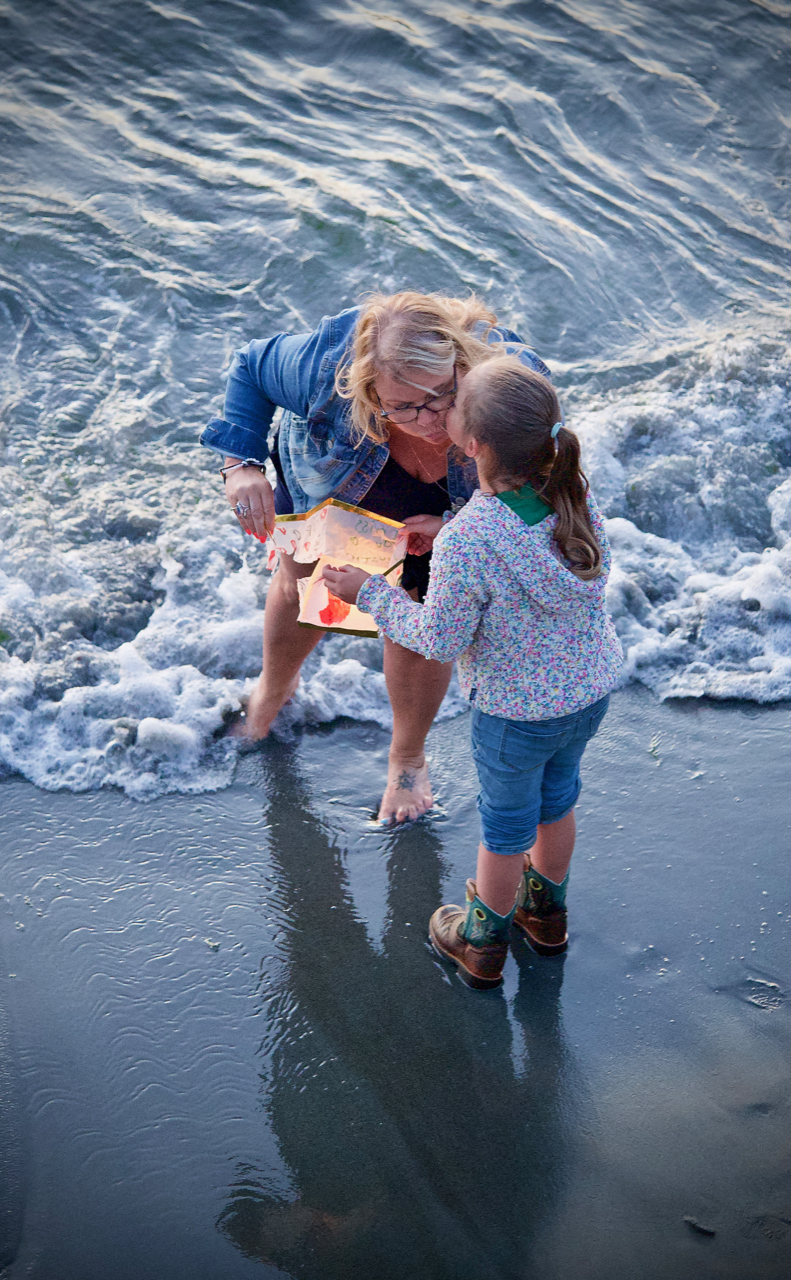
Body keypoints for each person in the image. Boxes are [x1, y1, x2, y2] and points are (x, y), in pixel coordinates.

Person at [322, 356, 623, 989]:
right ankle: (546, 915)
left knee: (507, 825)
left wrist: (367, 593)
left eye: (453, 403)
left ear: (474, 443)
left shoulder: (471, 541)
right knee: (557, 799)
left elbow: (438, 638)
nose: (441, 410)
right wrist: (452, 527)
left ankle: (482, 939)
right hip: (587, 691)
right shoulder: (571, 489)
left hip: (517, 712)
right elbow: (521, 540)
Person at [201, 292, 549, 824]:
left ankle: (407, 761)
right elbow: (250, 366)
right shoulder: (325, 367)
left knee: (419, 614)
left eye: (441, 397)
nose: (427, 419)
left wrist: (456, 527)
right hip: (337, 474)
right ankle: (272, 694)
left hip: (453, 502)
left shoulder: (512, 385)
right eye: (403, 406)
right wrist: (240, 464)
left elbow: (542, 490)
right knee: (306, 587)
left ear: (462, 364)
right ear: (366, 390)